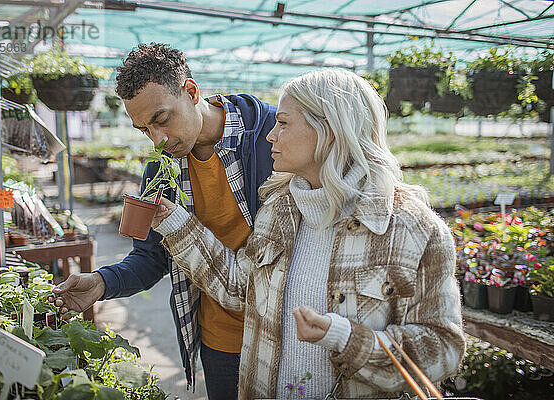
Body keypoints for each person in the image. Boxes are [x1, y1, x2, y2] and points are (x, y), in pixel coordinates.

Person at [150, 68, 466, 399]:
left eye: (283, 123)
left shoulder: (412, 229)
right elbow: (240, 287)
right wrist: (175, 223)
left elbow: (443, 349)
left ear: (327, 129)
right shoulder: (279, 210)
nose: (271, 135)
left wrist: (346, 339)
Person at [48, 43, 276, 399]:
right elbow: (152, 257)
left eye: (161, 120)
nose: (158, 140)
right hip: (220, 341)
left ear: (191, 91)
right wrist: (101, 282)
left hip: (284, 335)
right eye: (144, 129)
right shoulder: (159, 170)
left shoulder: (271, 138)